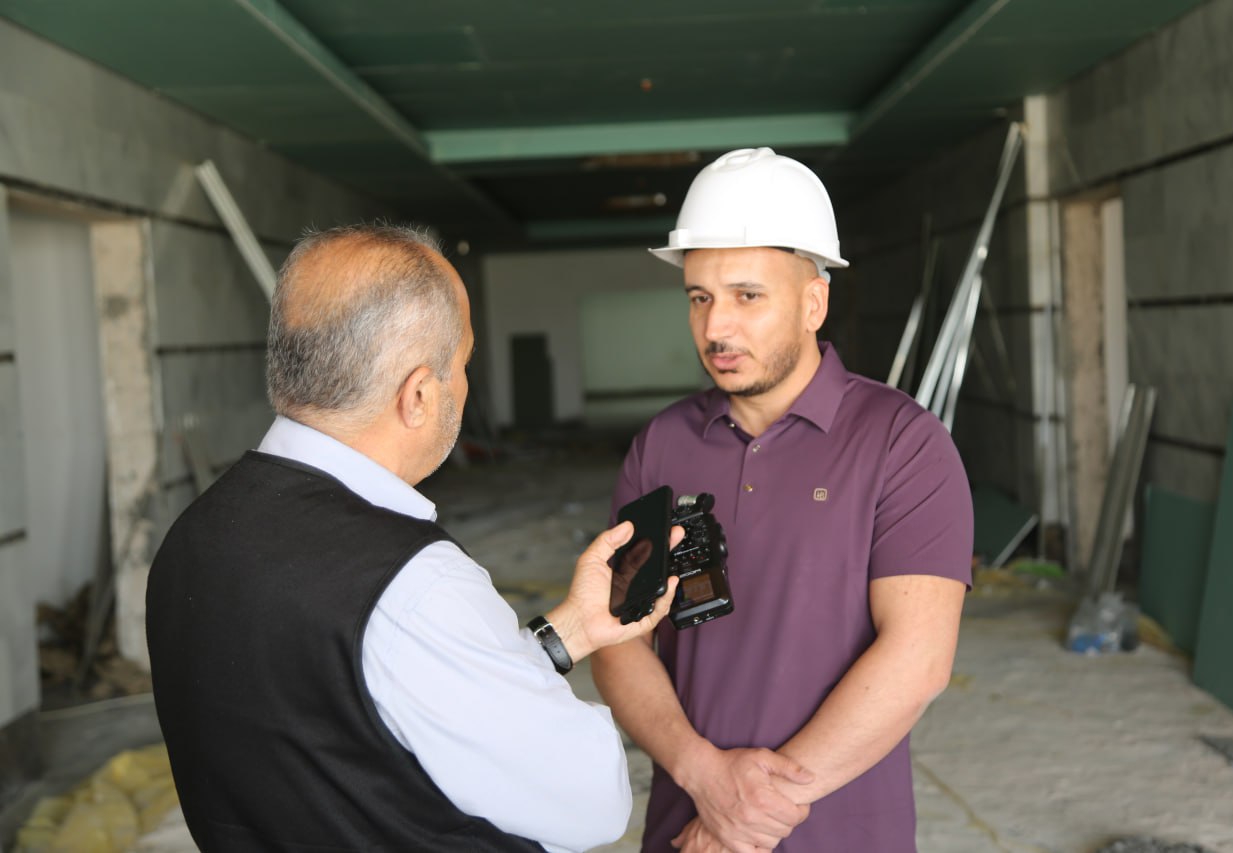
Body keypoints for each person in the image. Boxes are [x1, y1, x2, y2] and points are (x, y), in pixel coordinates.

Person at [146, 224, 679, 853]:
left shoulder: (192, 537)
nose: (466, 384)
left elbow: (360, 716)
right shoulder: (414, 584)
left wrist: (572, 630)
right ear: (420, 394)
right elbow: (591, 802)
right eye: (464, 363)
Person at [592, 148, 974, 852]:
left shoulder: (901, 442)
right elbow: (619, 641)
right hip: (688, 827)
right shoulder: (661, 447)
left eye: (747, 296)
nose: (716, 328)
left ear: (812, 303)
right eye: (699, 297)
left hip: (841, 835)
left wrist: (749, 813)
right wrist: (704, 777)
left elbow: (917, 658)